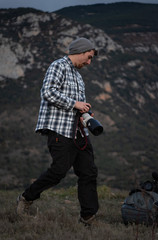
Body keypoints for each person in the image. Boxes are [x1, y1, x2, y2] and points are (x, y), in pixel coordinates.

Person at [17, 37, 99, 226]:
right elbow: (48, 92)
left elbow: (77, 107)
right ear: (79, 51)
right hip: (59, 130)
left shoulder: (78, 77)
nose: (89, 62)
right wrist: (74, 103)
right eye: (88, 57)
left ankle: (88, 217)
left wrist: (84, 113)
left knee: (88, 172)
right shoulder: (58, 66)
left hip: (78, 133)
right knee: (59, 171)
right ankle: (26, 198)